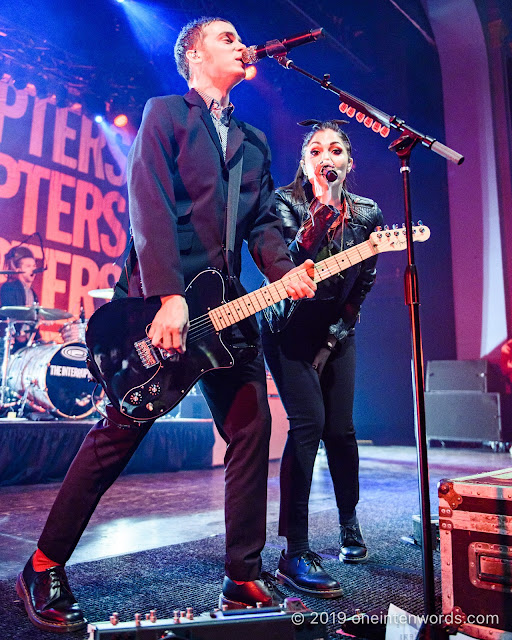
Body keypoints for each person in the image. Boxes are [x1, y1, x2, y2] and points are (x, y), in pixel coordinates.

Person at [15, 17, 317, 633]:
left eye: (240, 36)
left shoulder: (254, 142)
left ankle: (243, 573)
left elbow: (261, 224)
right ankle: (42, 565)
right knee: (117, 437)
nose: (240, 42)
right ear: (194, 54)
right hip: (164, 305)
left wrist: (285, 269)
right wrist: (169, 297)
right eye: (226, 37)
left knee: (252, 430)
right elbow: (147, 204)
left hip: (231, 312)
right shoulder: (164, 114)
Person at [261, 120, 383, 598]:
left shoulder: (369, 214)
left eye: (335, 151)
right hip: (288, 330)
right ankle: (296, 548)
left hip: (336, 331)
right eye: (316, 151)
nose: (326, 158)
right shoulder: (283, 202)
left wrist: (332, 342)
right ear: (305, 162)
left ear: (349, 165)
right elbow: (287, 265)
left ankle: (349, 525)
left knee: (341, 430)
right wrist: (321, 210)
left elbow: (364, 282)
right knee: (308, 425)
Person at [0, 247, 39, 352]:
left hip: (24, 344)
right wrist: (19, 335)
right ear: (17, 269)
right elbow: (11, 313)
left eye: (34, 266)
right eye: (28, 266)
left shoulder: (33, 294)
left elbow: (33, 321)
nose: (33, 269)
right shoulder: (9, 287)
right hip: (8, 342)